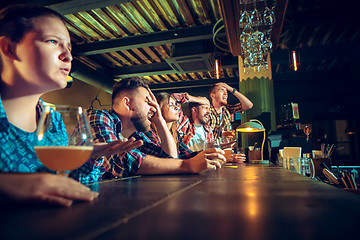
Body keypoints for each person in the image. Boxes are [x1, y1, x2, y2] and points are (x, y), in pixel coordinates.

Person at [0, 4, 142, 207]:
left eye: (69, 48)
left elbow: (68, 186)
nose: (68, 56)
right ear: (9, 48)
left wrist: (90, 155)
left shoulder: (53, 120)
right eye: (52, 41)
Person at [88, 77, 225, 179]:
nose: (154, 108)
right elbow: (120, 160)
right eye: (148, 102)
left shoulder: (139, 136)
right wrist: (187, 165)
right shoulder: (98, 117)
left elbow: (170, 159)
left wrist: (159, 119)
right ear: (128, 104)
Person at [173, 92, 246, 162]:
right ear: (194, 110)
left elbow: (209, 154)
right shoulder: (185, 124)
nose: (209, 112)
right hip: (187, 168)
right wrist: (199, 100)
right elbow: (174, 98)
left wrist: (220, 148)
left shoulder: (208, 130)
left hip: (205, 169)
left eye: (209, 109)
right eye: (205, 108)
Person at [146, 92, 196, 159]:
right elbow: (168, 158)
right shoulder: (149, 133)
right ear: (159, 110)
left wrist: (205, 153)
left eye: (176, 104)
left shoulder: (175, 133)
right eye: (171, 105)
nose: (176, 107)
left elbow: (187, 154)